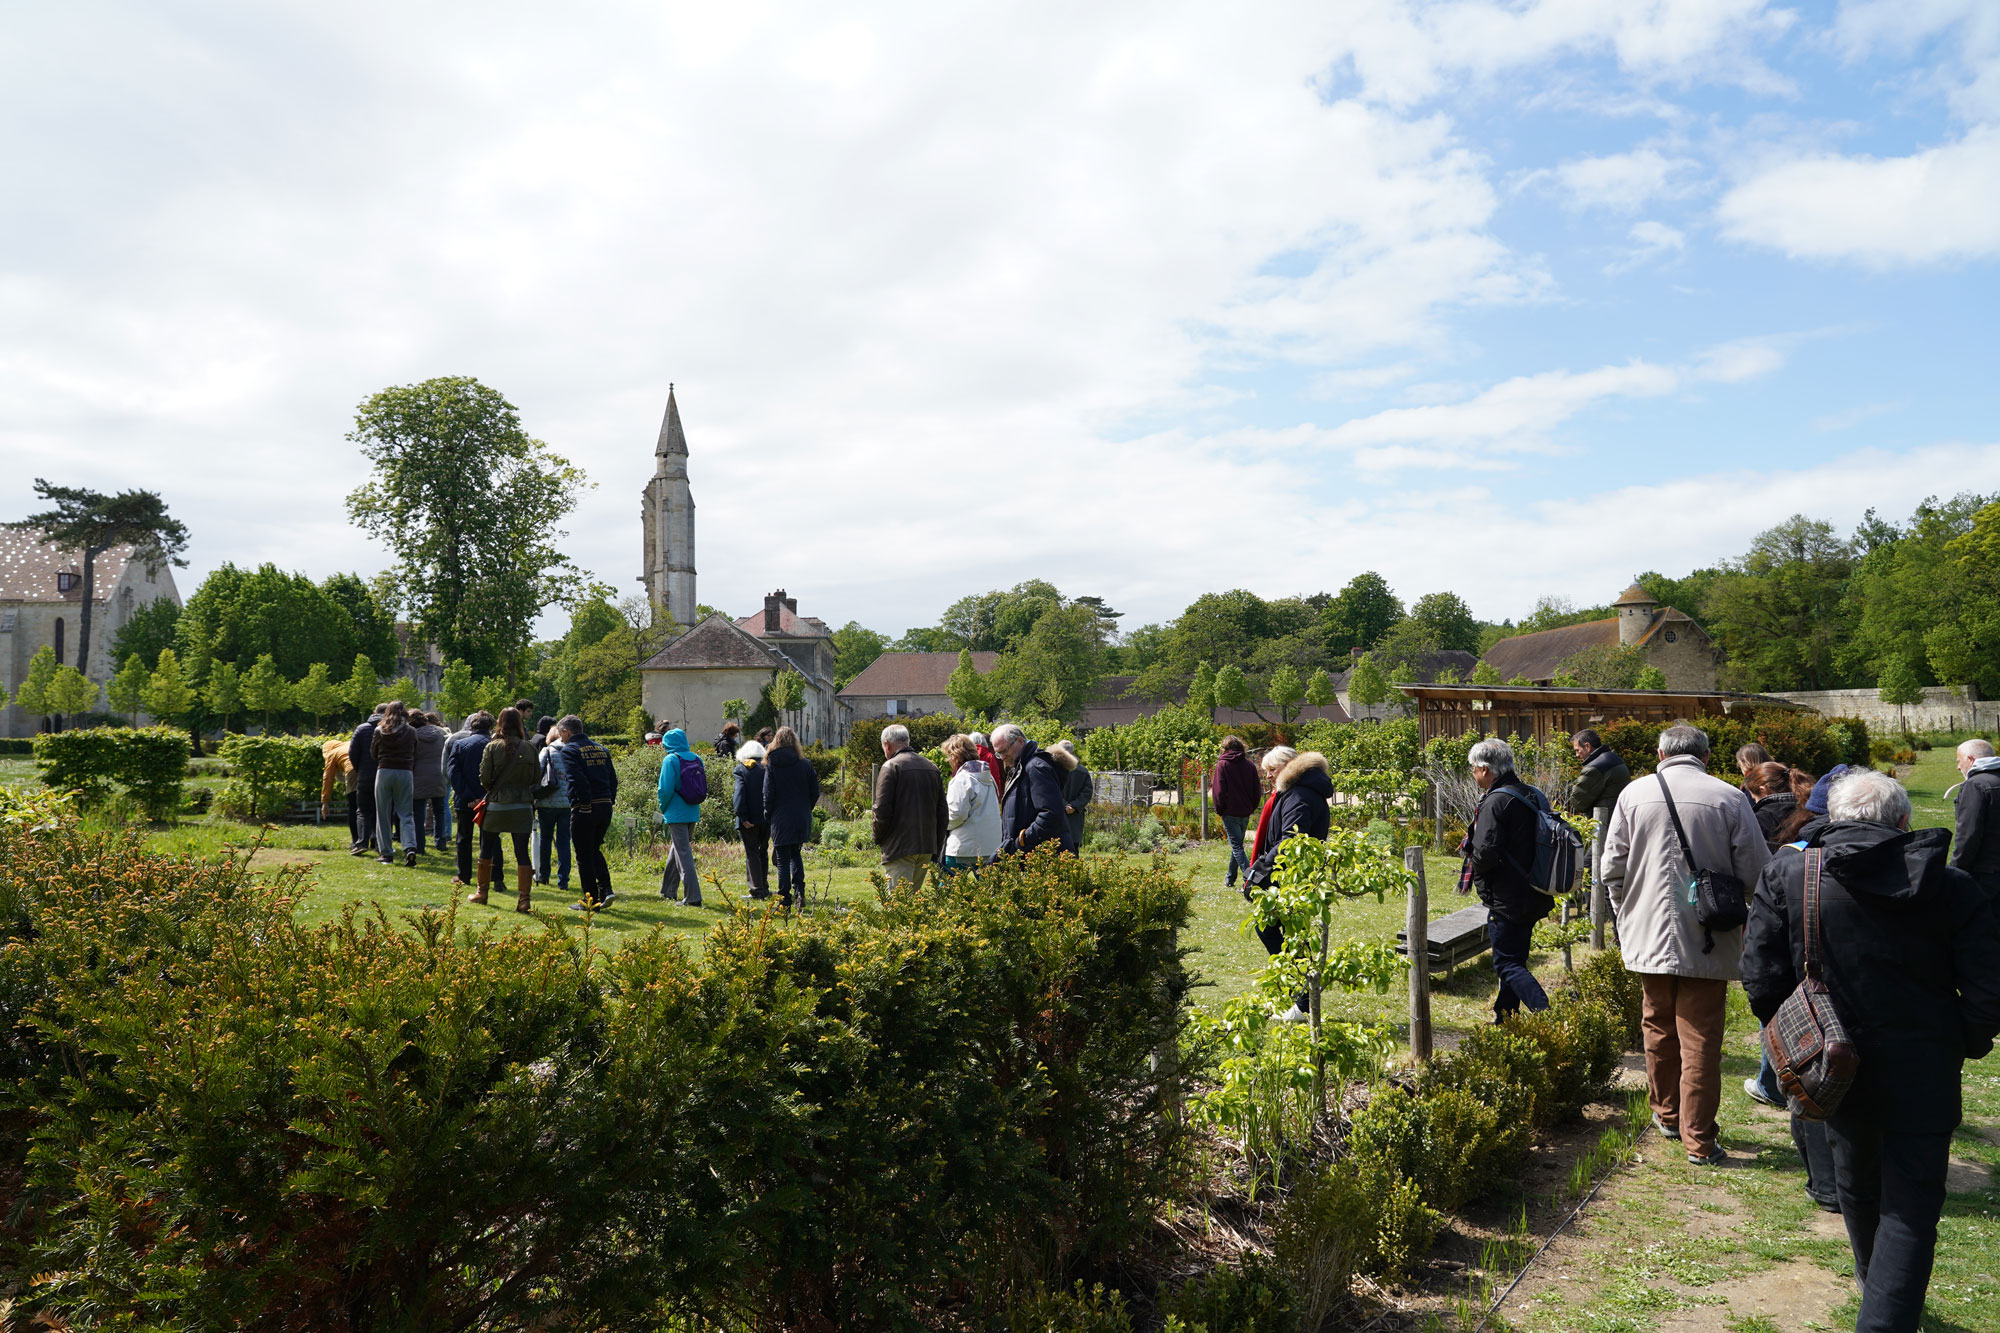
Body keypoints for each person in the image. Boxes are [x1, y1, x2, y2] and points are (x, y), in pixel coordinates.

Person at [1742, 768, 2000, 1333]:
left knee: (1858, 1183)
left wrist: (1795, 1042)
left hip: (1833, 1058)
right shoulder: (1952, 885)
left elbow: (1760, 977)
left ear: (1832, 819)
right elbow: (1987, 990)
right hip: (1923, 1062)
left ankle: (1877, 1295)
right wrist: (1961, 1043)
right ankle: (1883, 1299)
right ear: (1904, 821)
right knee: (1910, 1206)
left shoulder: (1792, 873)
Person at [1601, 723, 1771, 1166]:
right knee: (1700, 1037)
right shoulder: (1729, 797)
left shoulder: (1633, 794)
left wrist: (1626, 914)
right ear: (1707, 756)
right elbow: (1757, 872)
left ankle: (1668, 1115)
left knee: (1656, 1026)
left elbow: (1611, 868)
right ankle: (1699, 1139)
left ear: (1660, 754)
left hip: (1647, 930)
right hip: (1710, 934)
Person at [1463, 738, 1556, 1022]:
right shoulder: (1531, 793)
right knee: (1515, 958)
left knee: (1506, 963)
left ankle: (1545, 1015)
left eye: (1473, 768)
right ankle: (1506, 1018)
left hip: (1508, 895)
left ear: (1485, 769)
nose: (1473, 774)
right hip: (1535, 887)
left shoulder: (1496, 800)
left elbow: (1485, 853)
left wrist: (1477, 870)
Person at [1245, 747, 1334, 1022]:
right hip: (1290, 876)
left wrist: (1259, 871)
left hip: (1292, 877)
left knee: (1287, 935)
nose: (1268, 776)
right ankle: (1296, 999)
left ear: (1288, 766)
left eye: (1271, 770)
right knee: (1277, 931)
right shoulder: (1297, 792)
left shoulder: (1299, 795)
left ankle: (1303, 1004)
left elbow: (1290, 841)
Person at [470, 706, 541, 913]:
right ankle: (524, 901)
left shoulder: (492, 747)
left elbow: (484, 778)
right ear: (519, 724)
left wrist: (496, 789)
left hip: (496, 806)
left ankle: (482, 893)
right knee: (522, 852)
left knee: (486, 848)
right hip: (522, 806)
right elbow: (536, 778)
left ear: (499, 723)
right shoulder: (530, 748)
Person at [873, 723, 948, 888]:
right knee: (913, 899)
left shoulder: (891, 766)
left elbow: (881, 810)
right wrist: (936, 846)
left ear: (887, 744)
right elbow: (942, 812)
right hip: (926, 846)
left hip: (900, 847)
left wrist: (879, 838)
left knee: (900, 901)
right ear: (906, 741)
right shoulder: (931, 767)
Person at [562, 715, 618, 909]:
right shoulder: (602, 749)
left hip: (585, 807)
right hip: (605, 805)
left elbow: (577, 779)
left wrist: (584, 804)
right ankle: (606, 890)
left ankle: (590, 900)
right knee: (594, 849)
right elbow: (612, 779)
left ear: (566, 732)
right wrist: (610, 800)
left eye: (561, 734)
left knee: (583, 854)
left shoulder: (570, 750)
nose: (561, 738)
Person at [992, 723, 1074, 855]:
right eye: (998, 753)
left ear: (1020, 741)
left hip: (1042, 855)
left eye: (1004, 750)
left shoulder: (1036, 767)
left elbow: (1051, 813)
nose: (1002, 757)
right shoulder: (1020, 767)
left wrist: (1023, 840)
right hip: (1030, 852)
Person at [763, 726, 821, 909]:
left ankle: (784, 899)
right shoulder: (805, 764)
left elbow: (768, 794)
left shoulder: (772, 764)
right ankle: (799, 892)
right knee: (795, 854)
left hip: (780, 816)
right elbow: (815, 791)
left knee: (782, 860)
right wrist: (806, 808)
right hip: (800, 815)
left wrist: (768, 814)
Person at [655, 727, 705, 907]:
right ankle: (668, 891)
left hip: (676, 813)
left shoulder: (671, 759)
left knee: (683, 854)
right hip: (693, 810)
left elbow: (665, 789)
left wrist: (663, 807)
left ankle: (693, 897)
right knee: (677, 849)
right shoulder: (697, 758)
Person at [444, 711, 492, 887]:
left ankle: (464, 875)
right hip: (489, 799)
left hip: (465, 799)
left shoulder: (460, 744)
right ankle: (495, 877)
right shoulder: (494, 745)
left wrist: (468, 796)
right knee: (490, 838)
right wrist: (483, 798)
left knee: (464, 838)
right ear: (490, 727)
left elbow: (453, 773)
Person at [943, 733, 1002, 870]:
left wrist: (942, 825)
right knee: (987, 882)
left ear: (955, 756)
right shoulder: (988, 776)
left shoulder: (962, 779)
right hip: (990, 844)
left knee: (946, 880)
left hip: (965, 846)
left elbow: (957, 814)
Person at [371, 700, 420, 866]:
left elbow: (373, 753)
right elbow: (416, 752)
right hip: (405, 771)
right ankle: (410, 847)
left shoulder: (380, 730)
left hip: (384, 770)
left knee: (383, 814)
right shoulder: (411, 731)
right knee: (406, 813)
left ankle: (386, 853)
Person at [1951, 738, 2000, 898]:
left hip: (1986, 876)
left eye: (1959, 761)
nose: (1958, 767)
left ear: (1970, 759)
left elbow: (1968, 835)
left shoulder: (1975, 785)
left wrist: (1955, 871)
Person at [1212, 736, 1262, 890]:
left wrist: (1219, 809)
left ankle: (1252, 879)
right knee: (1237, 844)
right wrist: (1251, 807)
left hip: (1230, 812)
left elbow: (1219, 791)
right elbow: (1257, 790)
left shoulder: (1223, 765)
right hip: (1245, 811)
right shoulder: (1249, 765)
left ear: (1225, 748)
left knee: (1237, 847)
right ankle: (1230, 877)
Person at [533, 716, 574, 893]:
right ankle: (563, 879)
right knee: (564, 842)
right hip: (568, 803)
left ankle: (544, 874)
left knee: (545, 839)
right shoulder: (573, 751)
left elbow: (537, 773)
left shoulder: (547, 751)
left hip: (547, 802)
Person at [733, 739, 771, 898]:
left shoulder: (742, 769)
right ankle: (764, 887)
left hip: (749, 819)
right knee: (763, 852)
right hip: (767, 818)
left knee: (752, 854)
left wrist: (742, 816)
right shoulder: (767, 767)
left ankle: (756, 890)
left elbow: (739, 794)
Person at [1566, 729, 1631, 816]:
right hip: (1621, 814)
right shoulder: (1614, 759)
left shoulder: (1595, 768)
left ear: (1587, 746)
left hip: (1604, 819)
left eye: (1577, 750)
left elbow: (1578, 803)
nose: (1577, 755)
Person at [411, 710, 450, 855]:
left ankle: (420, 845)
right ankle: (441, 842)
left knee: (418, 813)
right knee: (439, 811)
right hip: (438, 774)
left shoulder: (413, 735)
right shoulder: (439, 733)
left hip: (419, 776)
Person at [347, 705, 384, 856]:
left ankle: (362, 842)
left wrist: (359, 768)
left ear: (374, 712)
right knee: (382, 810)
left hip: (365, 775)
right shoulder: (390, 729)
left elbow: (352, 752)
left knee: (363, 810)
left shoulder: (362, 729)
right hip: (383, 773)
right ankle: (379, 841)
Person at [1744, 761, 1799, 852]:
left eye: (1754, 799)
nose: (1755, 802)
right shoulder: (1806, 807)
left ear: (1764, 790)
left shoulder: (1761, 818)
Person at [1050, 739, 1093, 852]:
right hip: (1075, 817)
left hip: (1056, 814)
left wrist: (1064, 804)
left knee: (1054, 849)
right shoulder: (1083, 771)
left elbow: (1050, 790)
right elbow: (1087, 792)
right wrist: (1074, 806)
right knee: (1073, 851)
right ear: (1072, 752)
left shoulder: (1052, 769)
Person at [319, 735, 357, 845]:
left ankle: (356, 841)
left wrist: (325, 802)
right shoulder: (348, 744)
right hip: (370, 770)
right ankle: (373, 836)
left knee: (354, 806)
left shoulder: (332, 753)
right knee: (370, 807)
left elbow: (328, 778)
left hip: (352, 771)